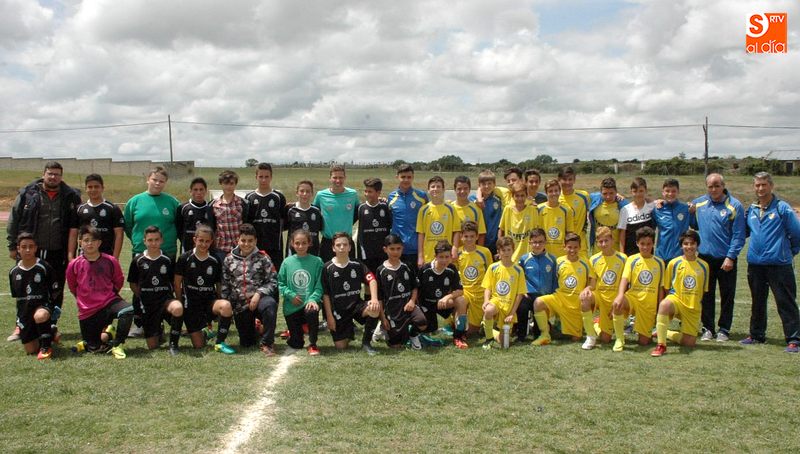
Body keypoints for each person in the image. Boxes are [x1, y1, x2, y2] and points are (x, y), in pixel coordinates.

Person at [7, 161, 80, 342]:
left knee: (56, 289)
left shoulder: (71, 196)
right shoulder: (27, 193)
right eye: (50, 173)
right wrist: (11, 245)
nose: (53, 177)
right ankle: (21, 325)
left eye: (57, 174)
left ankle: (51, 324)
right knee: (26, 289)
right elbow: (14, 218)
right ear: (44, 174)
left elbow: (74, 227)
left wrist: (72, 253)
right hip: (31, 251)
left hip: (58, 251)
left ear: (61, 176)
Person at [740, 172, 800, 352]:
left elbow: (797, 234)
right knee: (757, 301)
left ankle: (794, 339)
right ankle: (757, 335)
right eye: (757, 185)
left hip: (779, 264)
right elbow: (744, 233)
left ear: (771, 186)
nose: (760, 188)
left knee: (785, 302)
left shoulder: (782, 208)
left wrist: (789, 253)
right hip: (756, 264)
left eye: (764, 185)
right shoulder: (751, 210)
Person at [124, 165, 181, 337]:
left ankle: (166, 321)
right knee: (141, 288)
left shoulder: (172, 202)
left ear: (165, 183)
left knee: (165, 288)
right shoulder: (134, 201)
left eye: (161, 181)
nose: (157, 183)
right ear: (148, 179)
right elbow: (127, 226)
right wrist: (140, 244)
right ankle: (140, 323)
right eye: (155, 179)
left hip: (167, 253)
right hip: (142, 253)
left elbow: (180, 225)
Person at [690, 173, 745, 342]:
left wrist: (730, 257)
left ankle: (724, 329)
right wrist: (691, 213)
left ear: (723, 186)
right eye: (710, 186)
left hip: (725, 259)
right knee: (706, 294)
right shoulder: (699, 202)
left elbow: (738, 235)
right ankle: (707, 328)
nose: (713, 189)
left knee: (727, 295)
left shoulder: (734, 206)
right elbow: (694, 225)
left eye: (717, 186)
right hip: (705, 258)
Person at [66, 226, 133, 359]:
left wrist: (108, 295)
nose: (90, 243)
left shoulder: (110, 261)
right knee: (94, 348)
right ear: (80, 243)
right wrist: (85, 298)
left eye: (93, 240)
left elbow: (118, 281)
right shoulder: (74, 264)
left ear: (99, 243)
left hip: (108, 302)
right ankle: (106, 334)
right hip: (88, 310)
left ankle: (117, 344)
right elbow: (73, 286)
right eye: (86, 240)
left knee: (128, 310)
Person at [174, 224, 235, 353]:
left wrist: (220, 302)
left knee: (226, 306)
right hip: (191, 305)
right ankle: (206, 333)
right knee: (199, 346)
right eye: (201, 240)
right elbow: (177, 282)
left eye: (207, 241)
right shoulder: (185, 258)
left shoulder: (215, 260)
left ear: (212, 242)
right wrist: (179, 300)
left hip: (209, 303)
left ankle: (220, 343)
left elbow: (218, 284)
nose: (203, 244)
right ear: (194, 239)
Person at [221, 223, 279, 355]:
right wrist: (228, 308)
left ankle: (267, 343)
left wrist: (259, 294)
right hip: (240, 305)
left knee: (270, 305)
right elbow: (225, 285)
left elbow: (273, 281)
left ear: (256, 241)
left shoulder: (263, 258)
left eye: (250, 241)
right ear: (238, 240)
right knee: (247, 343)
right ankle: (257, 328)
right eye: (243, 240)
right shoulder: (229, 259)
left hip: (259, 301)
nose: (246, 244)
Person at [321, 232, 383, 354]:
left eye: (345, 244)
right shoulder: (327, 268)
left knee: (374, 308)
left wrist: (374, 299)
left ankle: (366, 343)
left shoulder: (357, 264)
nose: (342, 247)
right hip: (338, 311)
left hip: (356, 306)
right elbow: (326, 295)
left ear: (350, 247)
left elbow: (372, 279)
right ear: (333, 248)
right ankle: (348, 332)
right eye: (338, 245)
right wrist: (329, 317)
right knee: (341, 347)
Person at [651, 229, 709, 357]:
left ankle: (666, 333)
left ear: (697, 245)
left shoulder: (704, 266)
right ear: (681, 246)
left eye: (692, 244)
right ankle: (661, 345)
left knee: (689, 343)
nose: (689, 247)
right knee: (664, 304)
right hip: (677, 300)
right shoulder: (674, 263)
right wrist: (672, 301)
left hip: (692, 307)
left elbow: (702, 291)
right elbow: (666, 287)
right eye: (686, 244)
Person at [127, 226, 184, 355]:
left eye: (156, 239)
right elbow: (133, 284)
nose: (153, 243)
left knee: (178, 308)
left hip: (165, 301)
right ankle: (158, 330)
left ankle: (173, 344)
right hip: (148, 305)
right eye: (150, 240)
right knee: (153, 347)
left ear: (162, 240)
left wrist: (175, 298)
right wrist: (142, 297)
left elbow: (173, 282)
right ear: (144, 241)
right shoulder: (138, 260)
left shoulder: (167, 259)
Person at [531, 233, 595, 347]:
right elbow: (553, 279)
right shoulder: (559, 261)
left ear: (580, 247)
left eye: (575, 247)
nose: (572, 250)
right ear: (564, 247)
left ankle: (571, 328)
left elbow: (592, 280)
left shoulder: (585, 262)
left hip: (575, 303)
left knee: (576, 338)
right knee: (538, 303)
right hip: (560, 299)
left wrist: (588, 288)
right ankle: (545, 335)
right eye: (569, 247)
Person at [611, 227, 664, 352]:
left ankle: (662, 333)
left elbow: (661, 287)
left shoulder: (659, 262)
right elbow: (624, 279)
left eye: (648, 244)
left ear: (653, 244)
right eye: (642, 244)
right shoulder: (632, 259)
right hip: (633, 299)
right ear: (637, 243)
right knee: (617, 303)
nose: (645, 247)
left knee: (643, 342)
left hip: (648, 305)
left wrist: (659, 308)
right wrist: (620, 295)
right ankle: (619, 339)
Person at [8, 233, 57, 359]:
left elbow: (55, 290)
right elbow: (18, 298)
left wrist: (52, 309)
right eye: (24, 247)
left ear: (36, 248)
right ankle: (50, 331)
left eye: (31, 246)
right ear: (18, 249)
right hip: (25, 312)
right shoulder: (14, 272)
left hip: (42, 307)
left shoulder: (44, 267)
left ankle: (46, 347)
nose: (28, 250)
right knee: (31, 350)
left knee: (40, 315)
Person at [375, 234, 427, 349]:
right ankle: (382, 328)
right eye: (392, 249)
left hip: (408, 306)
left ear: (402, 248)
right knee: (396, 346)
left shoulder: (407, 266)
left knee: (422, 322)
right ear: (385, 249)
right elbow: (379, 297)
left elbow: (414, 287)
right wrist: (383, 318)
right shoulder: (381, 270)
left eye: (398, 249)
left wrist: (412, 301)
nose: (395, 252)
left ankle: (413, 335)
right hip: (392, 310)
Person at [579, 227, 627, 349]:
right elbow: (593, 284)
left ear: (612, 240)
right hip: (599, 297)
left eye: (606, 240)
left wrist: (619, 299)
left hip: (614, 299)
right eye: (600, 241)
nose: (604, 244)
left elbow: (626, 283)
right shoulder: (593, 259)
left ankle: (596, 324)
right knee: (584, 298)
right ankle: (590, 337)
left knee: (606, 339)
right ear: (597, 242)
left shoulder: (623, 258)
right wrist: (587, 289)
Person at [278, 229, 324, 355]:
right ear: (292, 244)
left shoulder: (317, 261)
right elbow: (280, 283)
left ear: (309, 243)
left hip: (309, 304)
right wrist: (290, 295)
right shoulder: (287, 262)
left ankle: (313, 344)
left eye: (304, 243)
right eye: (297, 243)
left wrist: (312, 299)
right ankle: (296, 332)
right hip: (292, 306)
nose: (300, 246)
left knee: (311, 311)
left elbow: (320, 285)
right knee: (296, 344)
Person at [417, 240, 468, 349]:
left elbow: (460, 290)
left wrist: (447, 297)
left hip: (442, 303)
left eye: (447, 257)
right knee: (428, 328)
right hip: (426, 304)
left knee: (461, 300)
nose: (444, 260)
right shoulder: (425, 270)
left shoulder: (451, 269)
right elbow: (416, 289)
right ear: (435, 256)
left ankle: (458, 335)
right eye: (441, 257)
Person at [481, 236, 527, 350]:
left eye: (509, 250)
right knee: (488, 310)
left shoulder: (518, 270)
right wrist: (486, 301)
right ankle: (489, 339)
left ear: (513, 250)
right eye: (503, 250)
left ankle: (488, 328)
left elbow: (520, 294)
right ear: (498, 251)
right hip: (496, 301)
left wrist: (512, 313)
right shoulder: (493, 267)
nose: (506, 253)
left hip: (509, 306)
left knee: (505, 344)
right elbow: (487, 287)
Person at [517, 229, 558, 343]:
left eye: (540, 242)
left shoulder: (552, 259)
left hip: (544, 296)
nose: (537, 245)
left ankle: (540, 332)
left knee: (538, 331)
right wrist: (523, 291)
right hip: (529, 294)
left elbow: (555, 279)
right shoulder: (524, 259)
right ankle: (521, 334)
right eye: (534, 242)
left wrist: (553, 294)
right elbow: (520, 278)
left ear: (545, 242)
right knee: (522, 307)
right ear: (529, 243)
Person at [244, 163, 287, 270]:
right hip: (254, 246)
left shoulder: (279, 197)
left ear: (271, 177)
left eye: (266, 177)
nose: (263, 180)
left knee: (274, 277)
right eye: (261, 177)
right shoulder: (249, 197)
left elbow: (283, 220)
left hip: (274, 247)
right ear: (256, 177)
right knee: (255, 277)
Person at [313, 164, 359, 263]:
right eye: (335, 177)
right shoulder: (321, 195)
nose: (338, 180)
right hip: (328, 242)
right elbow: (313, 213)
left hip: (347, 242)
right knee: (327, 273)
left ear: (345, 178)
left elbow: (358, 212)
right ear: (330, 178)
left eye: (340, 177)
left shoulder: (353, 194)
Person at [73, 174, 124, 259]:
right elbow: (73, 234)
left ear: (102, 188)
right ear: (86, 189)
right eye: (90, 187)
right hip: (84, 257)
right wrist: (71, 256)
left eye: (96, 187)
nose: (93, 189)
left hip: (107, 256)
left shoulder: (112, 208)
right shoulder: (80, 209)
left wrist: (115, 258)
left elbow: (119, 234)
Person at [388, 164, 428, 269]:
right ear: (397, 177)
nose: (406, 180)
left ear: (413, 177)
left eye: (409, 177)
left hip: (416, 249)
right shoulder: (391, 197)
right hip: (397, 250)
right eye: (403, 177)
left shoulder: (421, 197)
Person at [456, 221, 493, 336]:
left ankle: (479, 325)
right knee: (459, 301)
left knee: (472, 331)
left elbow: (490, 273)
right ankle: (458, 331)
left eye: (472, 236)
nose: (469, 239)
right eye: (466, 236)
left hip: (479, 293)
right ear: (461, 237)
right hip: (465, 291)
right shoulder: (457, 253)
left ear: (477, 236)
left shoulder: (484, 252)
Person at [416, 176, 460, 266]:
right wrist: (420, 256)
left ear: (443, 189)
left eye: (438, 186)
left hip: (446, 255)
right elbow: (421, 234)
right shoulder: (423, 210)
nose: (435, 189)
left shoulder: (451, 209)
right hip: (429, 255)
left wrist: (455, 248)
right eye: (432, 187)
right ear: (428, 190)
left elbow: (456, 231)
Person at [498, 181, 541, 262]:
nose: (520, 199)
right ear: (512, 196)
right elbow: (501, 230)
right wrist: (500, 249)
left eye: (522, 195)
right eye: (517, 196)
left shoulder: (532, 210)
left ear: (527, 196)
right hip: (510, 256)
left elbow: (537, 232)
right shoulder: (508, 209)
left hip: (528, 257)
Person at [356, 178, 392, 273]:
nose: (367, 194)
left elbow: (391, 225)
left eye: (370, 192)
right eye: (366, 191)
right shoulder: (361, 208)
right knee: (369, 279)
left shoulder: (385, 207)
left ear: (378, 192)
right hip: (366, 252)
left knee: (383, 278)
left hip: (383, 252)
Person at [653, 178, 691, 262]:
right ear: (663, 192)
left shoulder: (686, 209)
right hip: (661, 257)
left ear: (678, 192)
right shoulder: (657, 210)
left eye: (673, 191)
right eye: (667, 191)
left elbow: (695, 225)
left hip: (681, 257)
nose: (670, 194)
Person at [176, 177, 216, 255]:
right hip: (187, 247)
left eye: (201, 189)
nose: (198, 192)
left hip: (206, 248)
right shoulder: (183, 207)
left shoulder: (211, 208)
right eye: (195, 189)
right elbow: (179, 229)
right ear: (190, 191)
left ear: (206, 191)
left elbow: (213, 228)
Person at [211, 170, 245, 261]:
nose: (228, 186)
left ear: (235, 184)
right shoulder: (214, 205)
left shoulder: (243, 203)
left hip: (240, 248)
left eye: (231, 183)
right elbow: (213, 226)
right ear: (221, 184)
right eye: (226, 183)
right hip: (221, 248)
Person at [557, 166, 591, 259]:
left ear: (574, 180)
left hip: (580, 247)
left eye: (570, 179)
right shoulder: (555, 198)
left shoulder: (584, 196)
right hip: (562, 248)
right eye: (564, 179)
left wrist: (617, 195)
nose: (567, 182)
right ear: (559, 179)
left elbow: (602, 197)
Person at [588, 177, 628, 253]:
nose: (608, 196)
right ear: (600, 193)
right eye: (605, 193)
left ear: (616, 192)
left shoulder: (623, 205)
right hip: (597, 251)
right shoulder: (595, 200)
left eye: (611, 193)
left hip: (615, 251)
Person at [617, 177, 656, 256]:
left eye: (641, 191)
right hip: (630, 252)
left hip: (647, 251)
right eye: (635, 191)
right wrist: (622, 254)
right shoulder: (625, 210)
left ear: (646, 191)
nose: (638, 194)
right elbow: (622, 234)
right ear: (631, 192)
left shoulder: (652, 206)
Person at [537, 179, 574, 258]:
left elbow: (569, 234)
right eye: (550, 191)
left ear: (560, 192)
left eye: (556, 190)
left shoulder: (567, 210)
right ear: (546, 193)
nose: (553, 193)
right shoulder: (538, 209)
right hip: (543, 253)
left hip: (561, 255)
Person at [286, 180, 323, 257]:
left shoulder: (316, 211)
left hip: (313, 252)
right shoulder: (290, 210)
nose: (304, 194)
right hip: (294, 252)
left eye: (308, 191)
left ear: (312, 194)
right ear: (297, 193)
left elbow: (320, 228)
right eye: (302, 191)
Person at [470, 170, 504, 255]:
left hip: (494, 241)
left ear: (494, 184)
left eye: (489, 183)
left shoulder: (498, 199)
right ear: (479, 185)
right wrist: (478, 199)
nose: (487, 186)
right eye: (484, 184)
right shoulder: (472, 199)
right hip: (477, 240)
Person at [450, 175, 487, 245]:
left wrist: (478, 251)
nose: (462, 191)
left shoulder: (476, 209)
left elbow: (481, 233)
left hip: (470, 251)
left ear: (469, 189)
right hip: (453, 252)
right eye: (459, 189)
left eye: (465, 188)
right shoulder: (450, 208)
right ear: (454, 190)